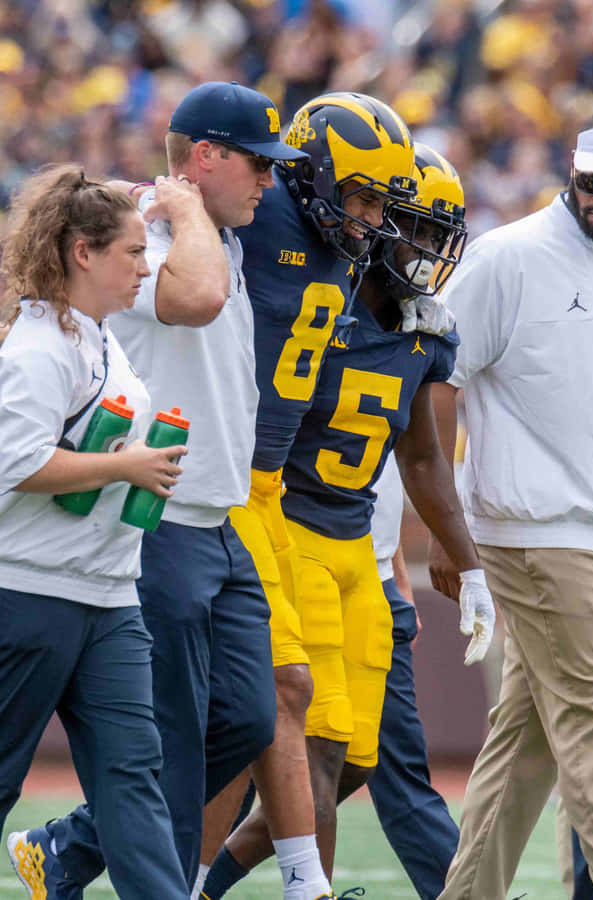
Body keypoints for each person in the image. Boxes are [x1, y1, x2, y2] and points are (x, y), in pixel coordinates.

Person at [12, 81, 307, 898]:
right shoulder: (140, 231)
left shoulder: (215, 230)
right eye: (257, 163)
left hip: (219, 515)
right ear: (204, 157)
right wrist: (183, 212)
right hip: (160, 517)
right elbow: (197, 300)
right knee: (167, 738)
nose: (268, 182)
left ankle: (67, 848)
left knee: (246, 717)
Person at [202, 143, 495, 896]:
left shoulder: (421, 328)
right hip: (288, 530)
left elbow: (424, 457)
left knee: (354, 762)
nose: (428, 253)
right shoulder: (315, 302)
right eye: (417, 231)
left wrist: (466, 564)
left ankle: (166, 871)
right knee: (316, 746)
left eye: (439, 236)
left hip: (354, 546)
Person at [198, 91, 419, 900]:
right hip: (224, 484)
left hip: (269, 491)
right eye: (358, 195)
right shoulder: (255, 216)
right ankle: (296, 885)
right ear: (311, 173)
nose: (368, 219)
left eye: (379, 203)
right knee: (271, 696)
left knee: (280, 714)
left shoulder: (345, 245)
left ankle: (103, 856)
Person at [0, 164, 191, 900]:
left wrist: (125, 466)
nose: (147, 266)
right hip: (28, 595)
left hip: (109, 597)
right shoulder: (37, 348)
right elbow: (16, 462)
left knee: (133, 781)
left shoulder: (100, 339)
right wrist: (129, 468)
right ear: (83, 252)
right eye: (134, 252)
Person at [430, 119, 593, 899]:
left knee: (530, 739)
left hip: (581, 521)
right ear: (572, 174)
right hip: (537, 527)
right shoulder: (509, 256)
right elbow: (436, 377)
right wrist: (445, 528)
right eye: (590, 183)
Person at [367, 454, 460, 900]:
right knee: (248, 747)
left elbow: (374, 478)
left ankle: (462, 891)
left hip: (376, 580)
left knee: (393, 763)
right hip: (304, 573)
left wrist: (397, 576)